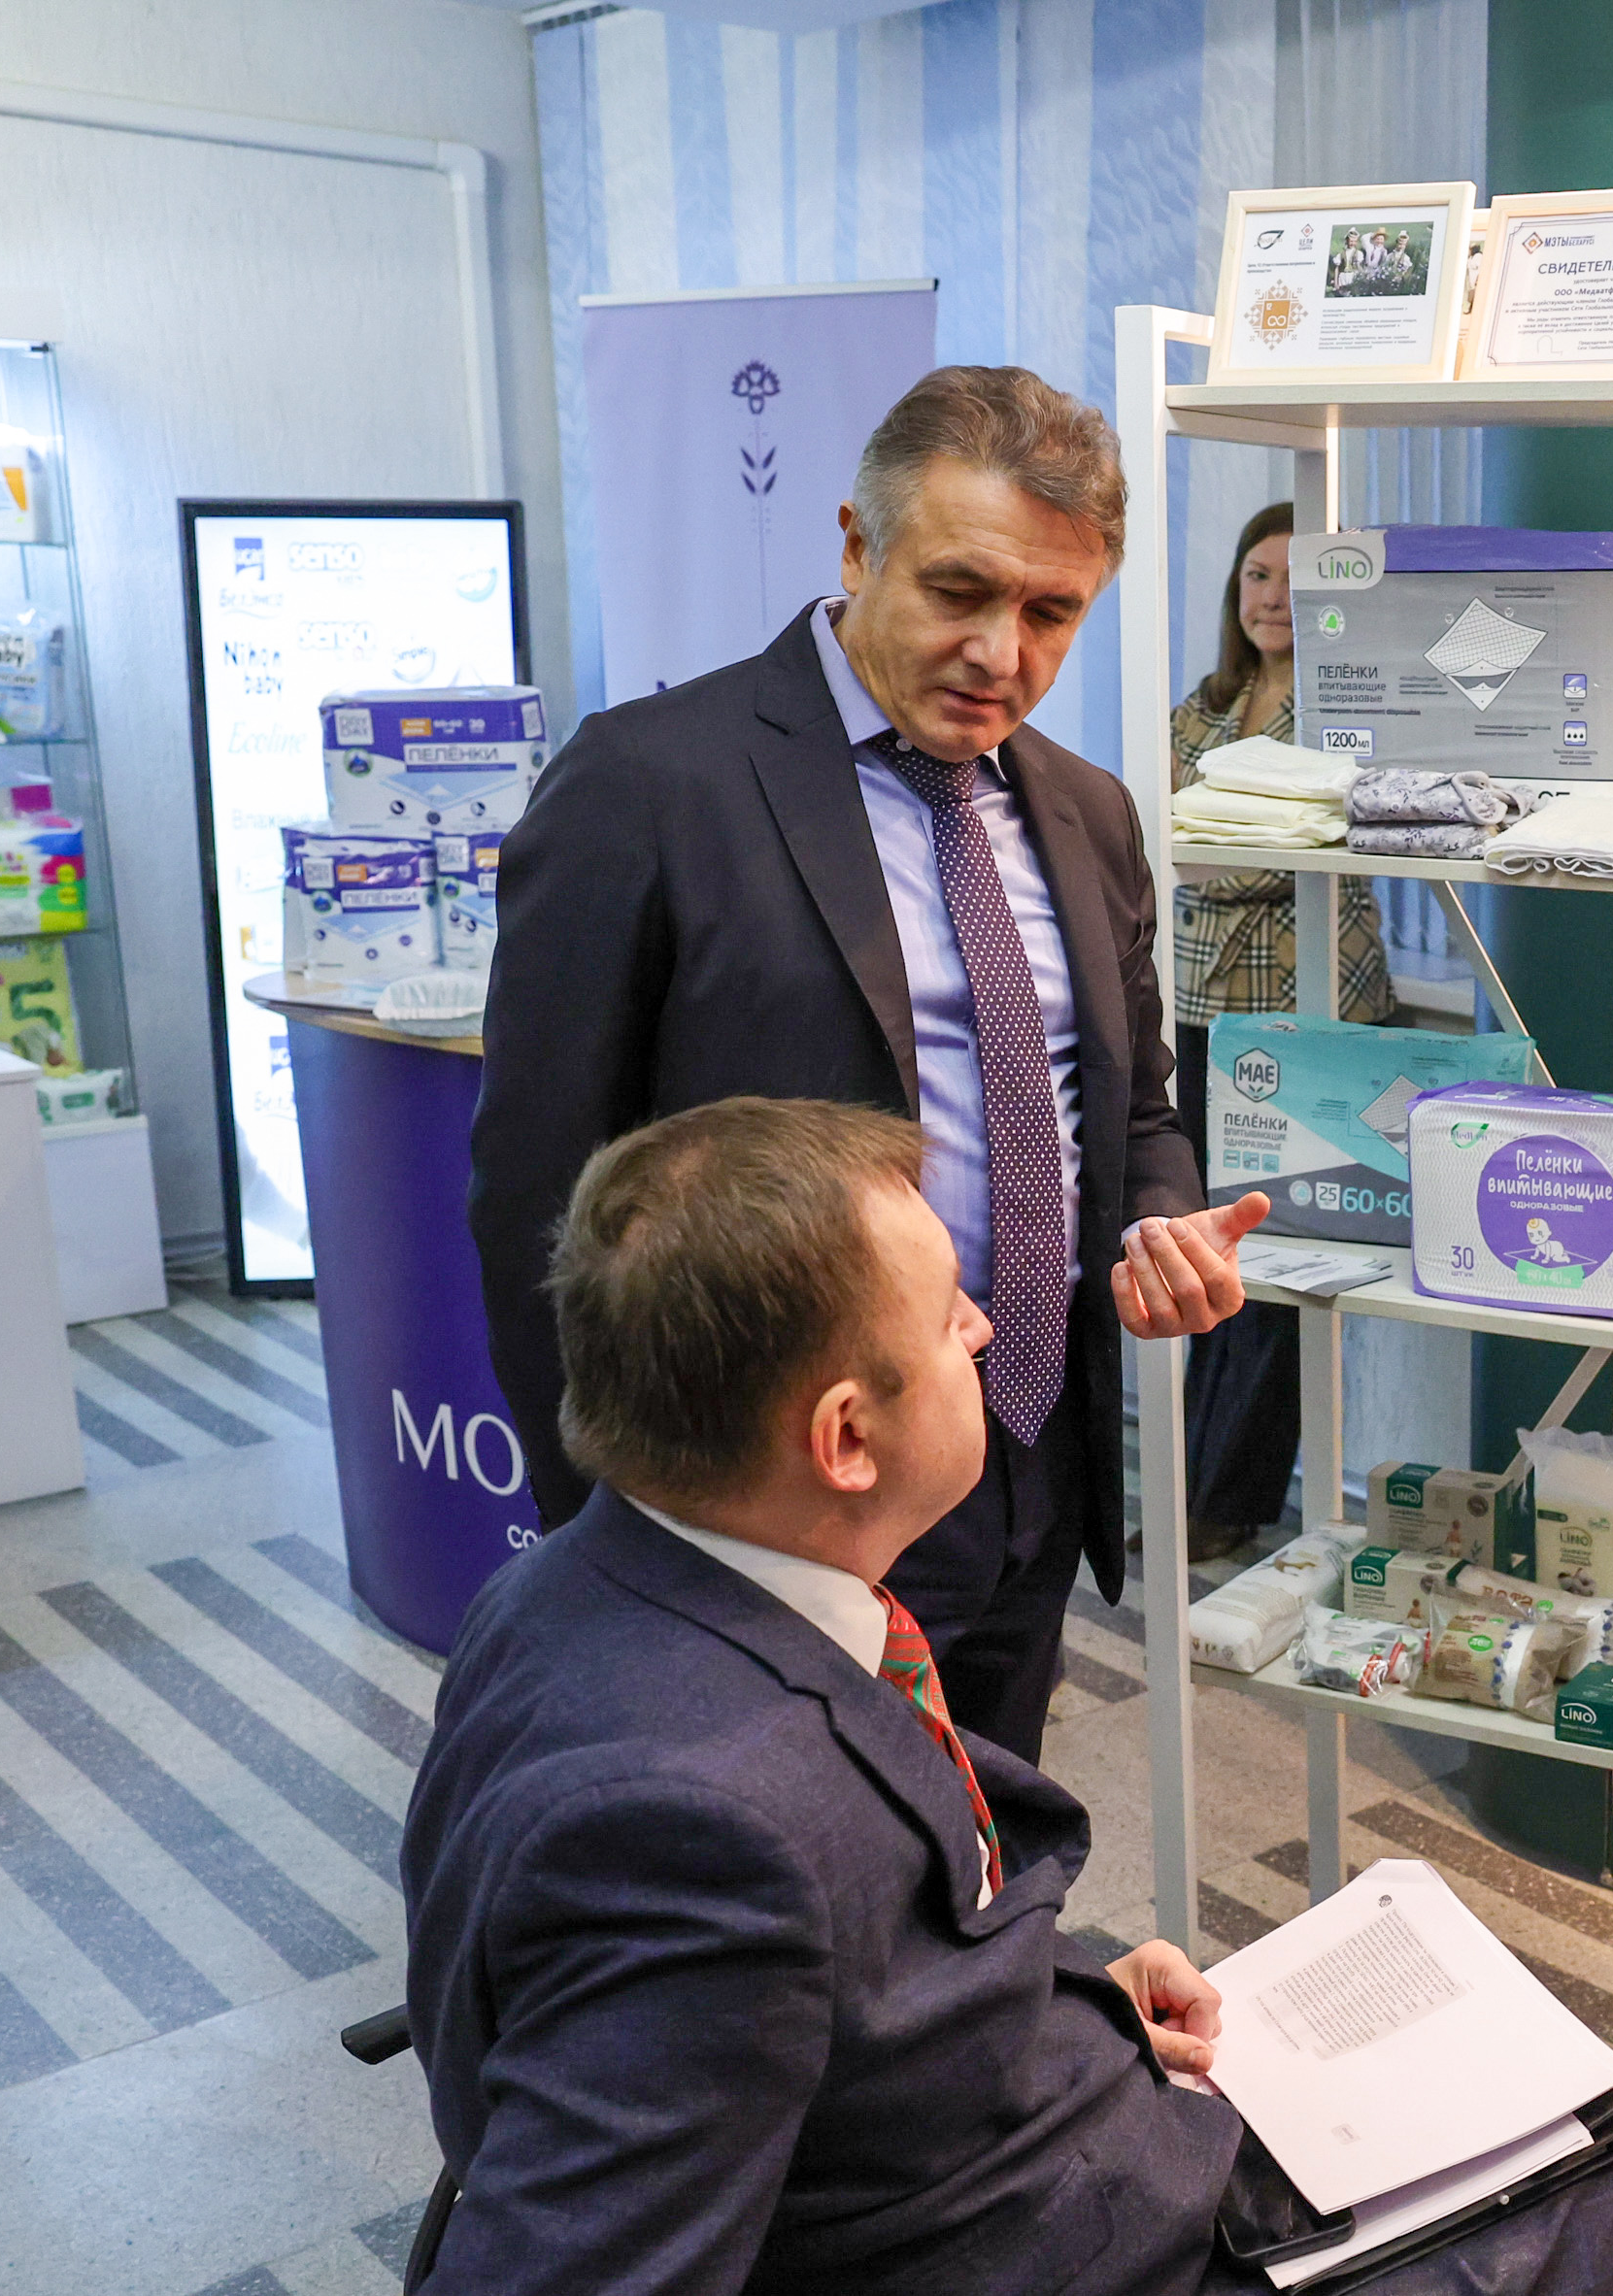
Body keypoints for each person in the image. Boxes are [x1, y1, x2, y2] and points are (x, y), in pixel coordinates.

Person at [357, 1096, 1613, 2296]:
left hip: (983, 2198)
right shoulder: (703, 1837)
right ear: (845, 1435)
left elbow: (839, 1975)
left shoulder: (583, 1590)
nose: (981, 1328)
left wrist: (1067, 1992)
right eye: (950, 1310)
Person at [472, 364, 1254, 1766]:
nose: (1001, 653)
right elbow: (536, 1187)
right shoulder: (648, 784)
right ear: (855, 546)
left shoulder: (1089, 811)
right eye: (960, 591)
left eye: (1052, 613)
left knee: (988, 1840)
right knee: (774, 1852)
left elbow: (1133, 1106)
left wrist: (1160, 1218)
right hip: (766, 1490)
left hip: (1027, 1459)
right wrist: (601, 1535)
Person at [1169, 500, 1395, 1558]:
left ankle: (1228, 1499)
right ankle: (1190, 1488)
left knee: (1281, 1269)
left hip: (1313, 1018)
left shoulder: (1352, 711)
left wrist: (1223, 850)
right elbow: (1168, 844)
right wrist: (1230, 852)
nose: (1272, 597)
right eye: (1256, 575)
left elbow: (1291, 852)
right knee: (1200, 1251)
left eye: (1296, 579)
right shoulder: (1203, 707)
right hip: (1202, 1017)